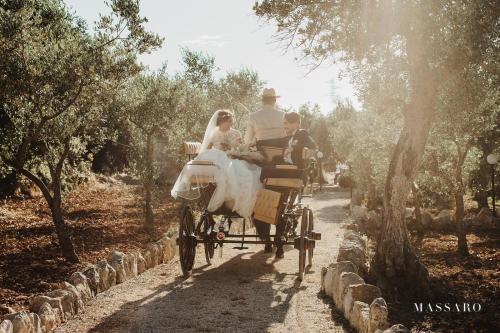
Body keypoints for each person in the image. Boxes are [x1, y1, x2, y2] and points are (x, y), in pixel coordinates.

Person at [171, 110, 262, 219]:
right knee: (221, 163)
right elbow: (207, 149)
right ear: (220, 122)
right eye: (226, 122)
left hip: (231, 158)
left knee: (244, 172)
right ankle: (226, 200)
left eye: (230, 121)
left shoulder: (236, 133)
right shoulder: (214, 133)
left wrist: (233, 149)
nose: (229, 124)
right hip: (218, 160)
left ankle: (235, 201)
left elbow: (240, 148)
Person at [244, 88, 289, 258]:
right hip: (279, 164)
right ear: (274, 101)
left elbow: (248, 141)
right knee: (284, 202)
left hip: (263, 162)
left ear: (262, 100)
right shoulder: (283, 115)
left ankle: (267, 240)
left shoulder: (253, 117)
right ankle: (279, 241)